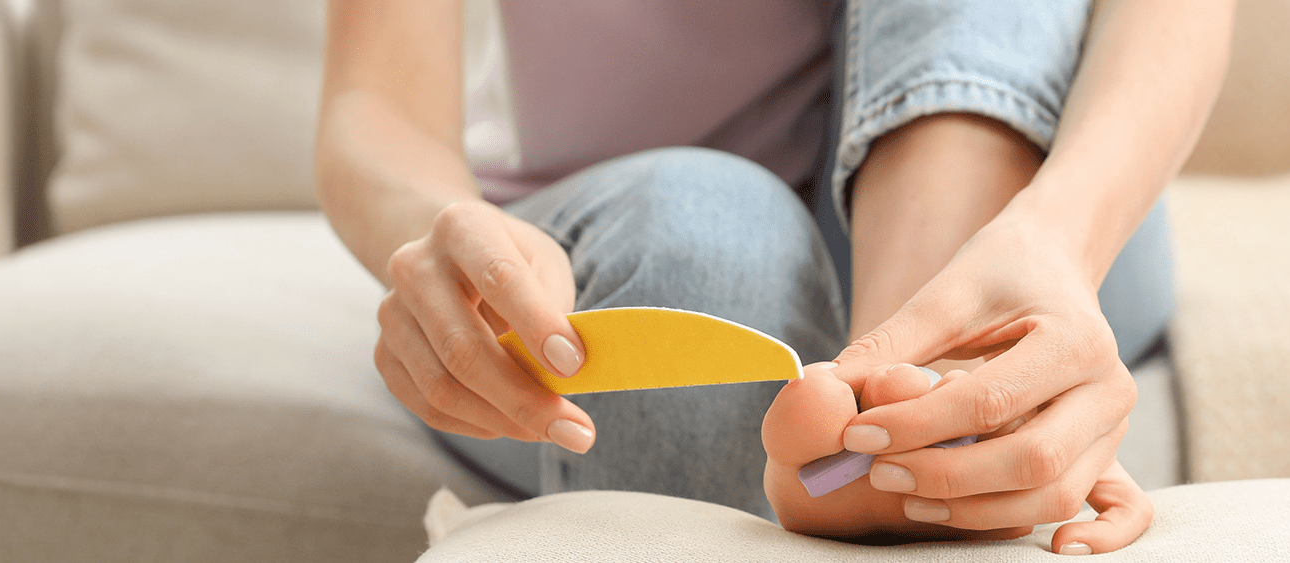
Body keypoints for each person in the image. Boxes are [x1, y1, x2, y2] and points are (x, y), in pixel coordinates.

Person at [315, 0, 1230, 555]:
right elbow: (375, 105)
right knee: (702, 249)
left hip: (1035, 222)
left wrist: (1057, 240)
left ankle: (915, 387)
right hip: (644, 225)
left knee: (713, 268)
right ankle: (905, 438)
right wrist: (438, 239)